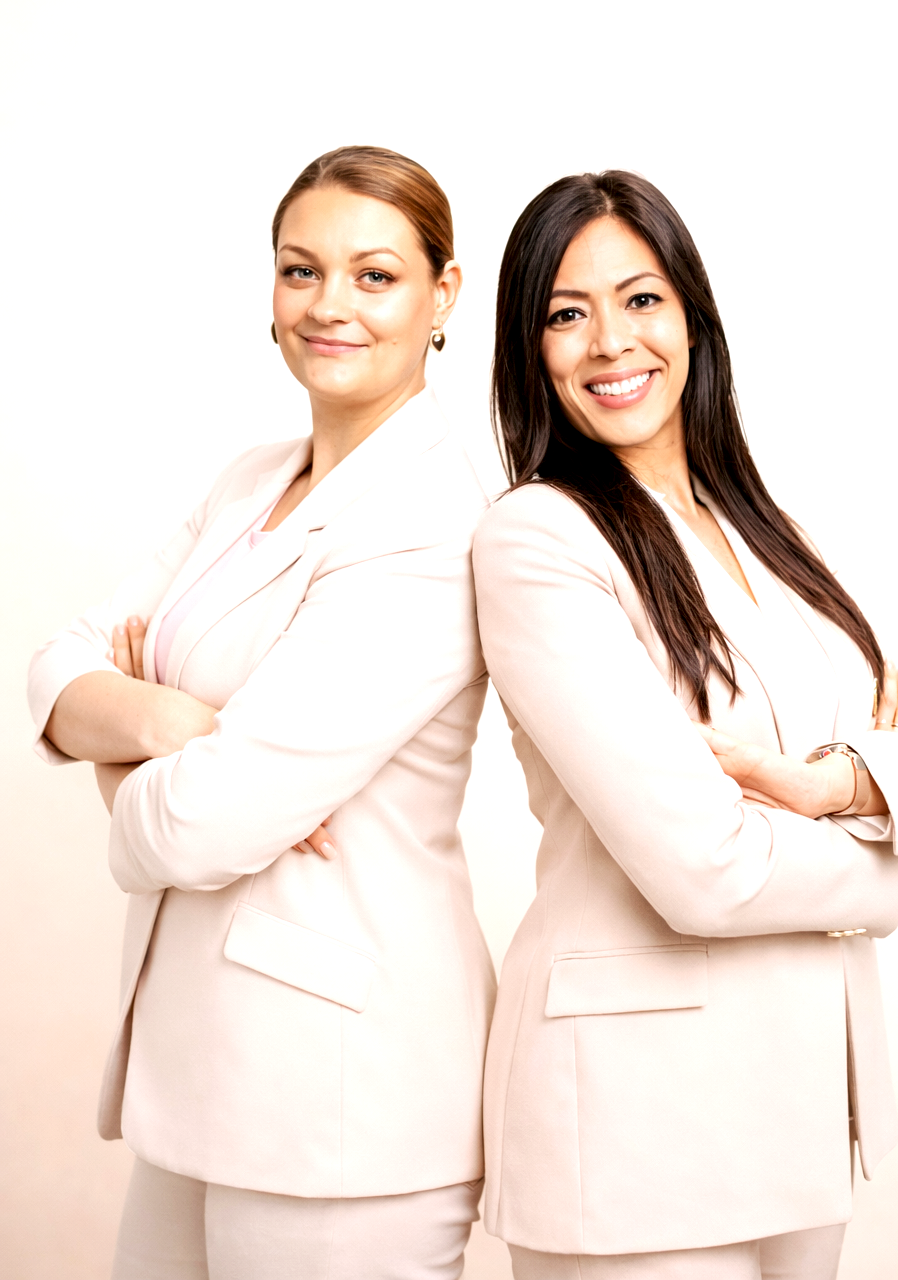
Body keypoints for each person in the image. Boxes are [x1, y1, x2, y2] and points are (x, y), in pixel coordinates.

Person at [472, 171, 898, 1279]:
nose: (611, 341)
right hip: (633, 1122)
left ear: (694, 317)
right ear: (530, 348)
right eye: (566, 313)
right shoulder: (538, 539)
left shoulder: (768, 529)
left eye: (641, 298)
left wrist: (836, 783)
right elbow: (700, 868)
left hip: (805, 1102)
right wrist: (885, 866)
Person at [28, 145, 495, 1280]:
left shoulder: (438, 510)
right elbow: (54, 668)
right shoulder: (250, 475)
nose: (329, 304)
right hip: (194, 1069)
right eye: (301, 270)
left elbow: (196, 829)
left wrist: (129, 754)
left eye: (374, 275)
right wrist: (177, 730)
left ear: (442, 294)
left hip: (340, 1096)